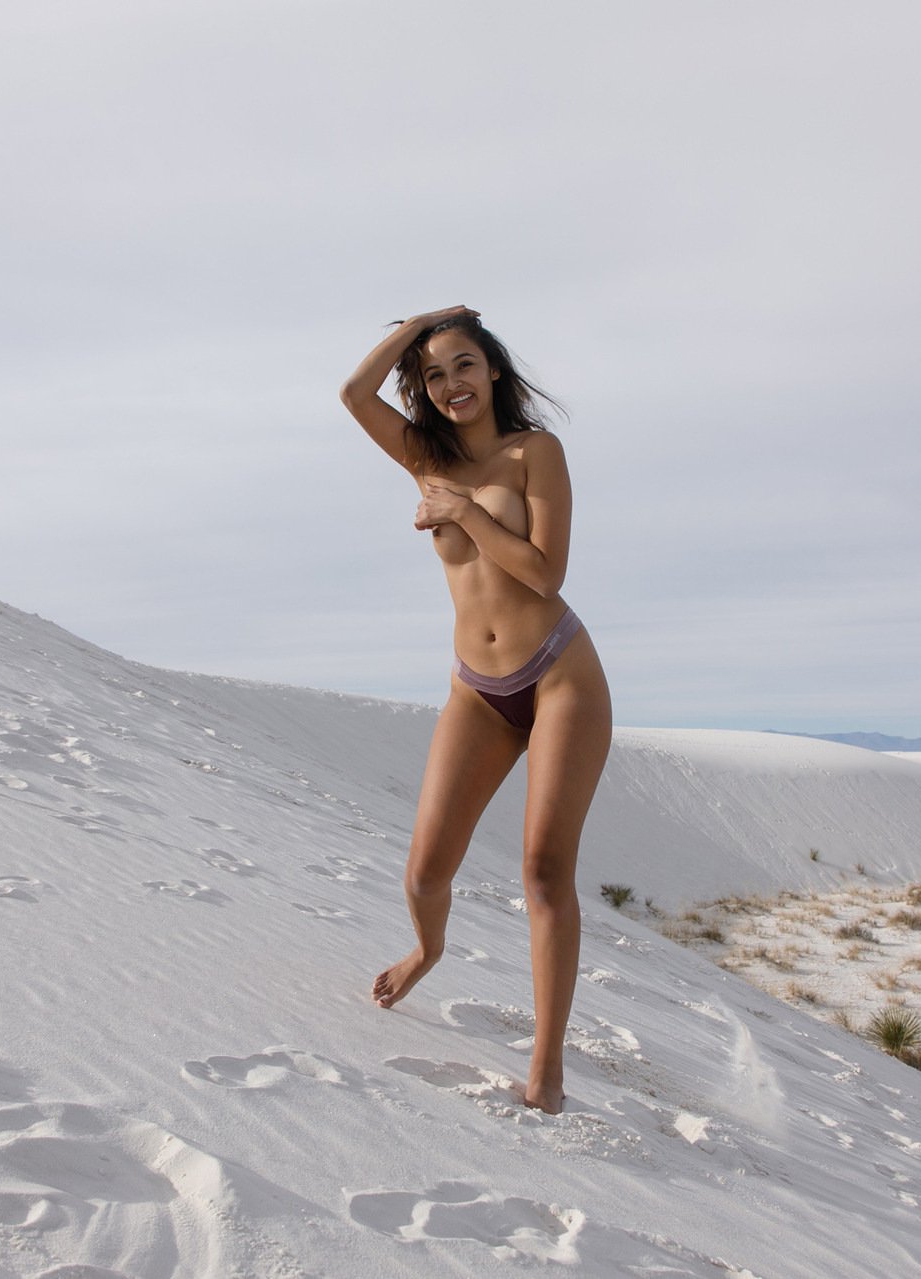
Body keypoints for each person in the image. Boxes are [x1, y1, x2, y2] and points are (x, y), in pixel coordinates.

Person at [340, 305, 613, 1114]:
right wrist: (425, 321)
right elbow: (354, 394)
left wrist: (464, 511)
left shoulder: (535, 452)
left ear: (492, 369)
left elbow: (544, 573)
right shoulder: (425, 457)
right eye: (433, 374)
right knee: (425, 872)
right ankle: (428, 949)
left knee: (544, 872)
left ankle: (546, 1066)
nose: (451, 383)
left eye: (464, 363)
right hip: (478, 691)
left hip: (560, 675)